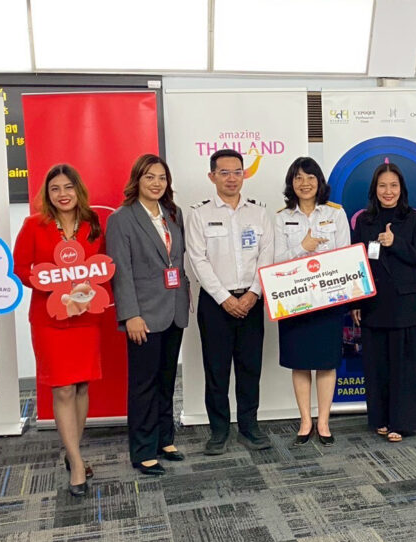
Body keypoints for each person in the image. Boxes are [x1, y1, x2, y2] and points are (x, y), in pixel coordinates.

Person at [13, 164, 103, 496]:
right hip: (50, 318)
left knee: (80, 387)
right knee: (62, 389)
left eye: (68, 187)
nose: (62, 194)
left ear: (78, 190)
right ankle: (77, 463)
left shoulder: (93, 224)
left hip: (85, 315)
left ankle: (71, 451)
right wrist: (47, 282)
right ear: (46, 194)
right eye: (55, 189)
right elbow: (20, 267)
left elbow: (104, 264)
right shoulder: (34, 225)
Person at [185, 149, 274, 455]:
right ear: (212, 177)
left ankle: (249, 427)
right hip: (215, 304)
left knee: (250, 367)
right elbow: (197, 260)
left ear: (244, 175)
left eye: (237, 171)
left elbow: (267, 255)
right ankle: (219, 431)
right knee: (216, 369)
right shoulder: (199, 214)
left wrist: (252, 294)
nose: (232, 178)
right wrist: (224, 298)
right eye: (224, 173)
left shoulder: (259, 212)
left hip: (252, 300)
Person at [106, 154, 191, 476]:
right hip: (143, 314)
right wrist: (130, 315)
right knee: (144, 383)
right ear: (137, 181)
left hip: (174, 309)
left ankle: (164, 439)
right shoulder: (122, 219)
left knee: (167, 379)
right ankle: (142, 450)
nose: (156, 183)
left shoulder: (173, 214)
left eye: (161, 178)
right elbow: (121, 272)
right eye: (149, 177)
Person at [352, 163, 416, 442]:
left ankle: (402, 422)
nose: (388, 191)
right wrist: (356, 301)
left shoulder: (415, 219)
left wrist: (395, 242)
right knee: (377, 365)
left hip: (404, 306)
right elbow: (357, 262)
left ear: (402, 189)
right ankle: (381, 419)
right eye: (383, 186)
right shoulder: (363, 221)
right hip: (373, 303)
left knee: (404, 366)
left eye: (393, 186)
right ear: (375, 189)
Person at [273, 157, 349, 446]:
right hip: (294, 300)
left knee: (327, 363)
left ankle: (324, 422)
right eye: (298, 178)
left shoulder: (336, 214)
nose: (304, 184)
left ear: (320, 182)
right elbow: (276, 261)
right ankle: (305, 422)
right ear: (291, 183)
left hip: (328, 298)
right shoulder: (282, 217)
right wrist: (301, 248)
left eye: (310, 178)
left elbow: (344, 256)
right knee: (300, 362)